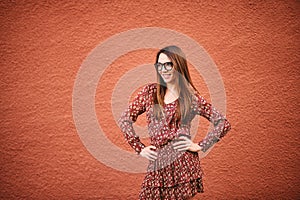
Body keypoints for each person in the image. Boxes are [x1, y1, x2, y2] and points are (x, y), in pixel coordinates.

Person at [118, 45, 231, 199]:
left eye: (168, 64)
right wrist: (139, 148)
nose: (163, 69)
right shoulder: (149, 93)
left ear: (178, 65)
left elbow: (222, 123)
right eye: (159, 65)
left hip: (182, 164)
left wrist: (199, 146)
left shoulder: (190, 98)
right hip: (158, 163)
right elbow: (125, 119)